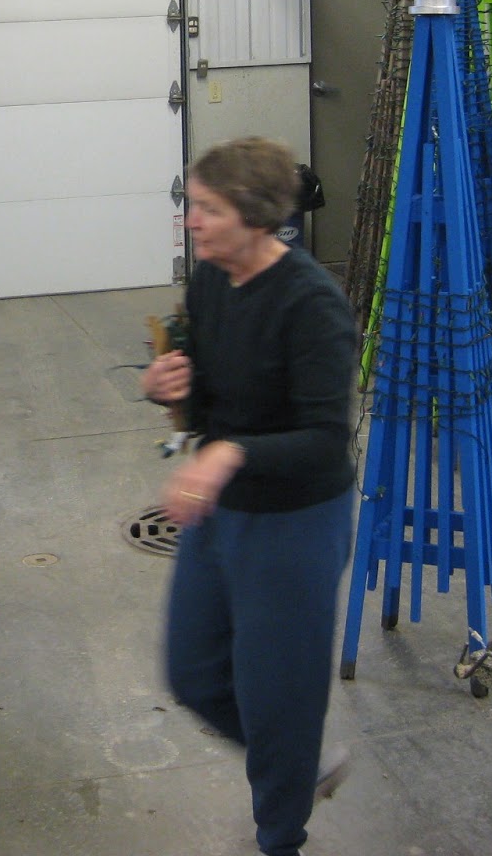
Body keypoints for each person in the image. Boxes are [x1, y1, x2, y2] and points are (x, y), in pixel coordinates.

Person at [139, 137, 359, 856]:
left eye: (208, 209)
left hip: (297, 523)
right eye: (191, 205)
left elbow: (325, 438)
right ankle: (297, 762)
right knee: (193, 672)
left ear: (255, 216)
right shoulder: (211, 281)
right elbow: (210, 397)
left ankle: (280, 834)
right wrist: (168, 387)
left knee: (278, 698)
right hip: (223, 508)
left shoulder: (312, 304)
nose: (191, 221)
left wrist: (230, 453)